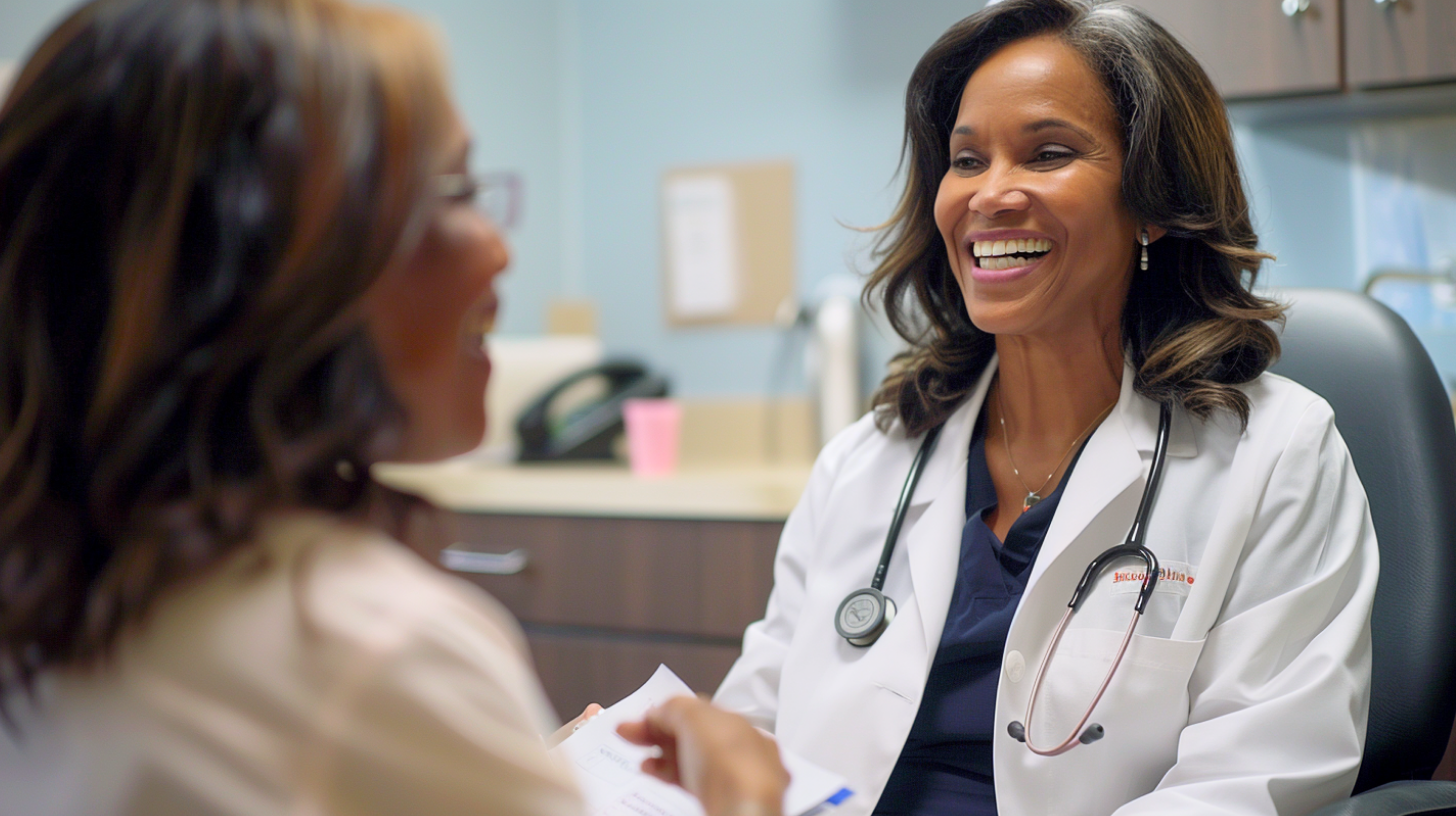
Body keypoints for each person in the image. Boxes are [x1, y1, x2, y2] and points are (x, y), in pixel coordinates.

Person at [0, 1, 787, 814]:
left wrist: (487, 763)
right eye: (454, 192)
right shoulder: (368, 652)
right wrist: (744, 795)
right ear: (273, 268)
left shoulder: (51, 595)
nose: (498, 246)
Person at [713, 2, 1379, 815]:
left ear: (1155, 200)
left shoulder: (1276, 454)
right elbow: (750, 726)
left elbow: (1251, 782)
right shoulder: (870, 459)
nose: (989, 195)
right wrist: (645, 762)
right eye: (965, 161)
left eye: (1049, 153)